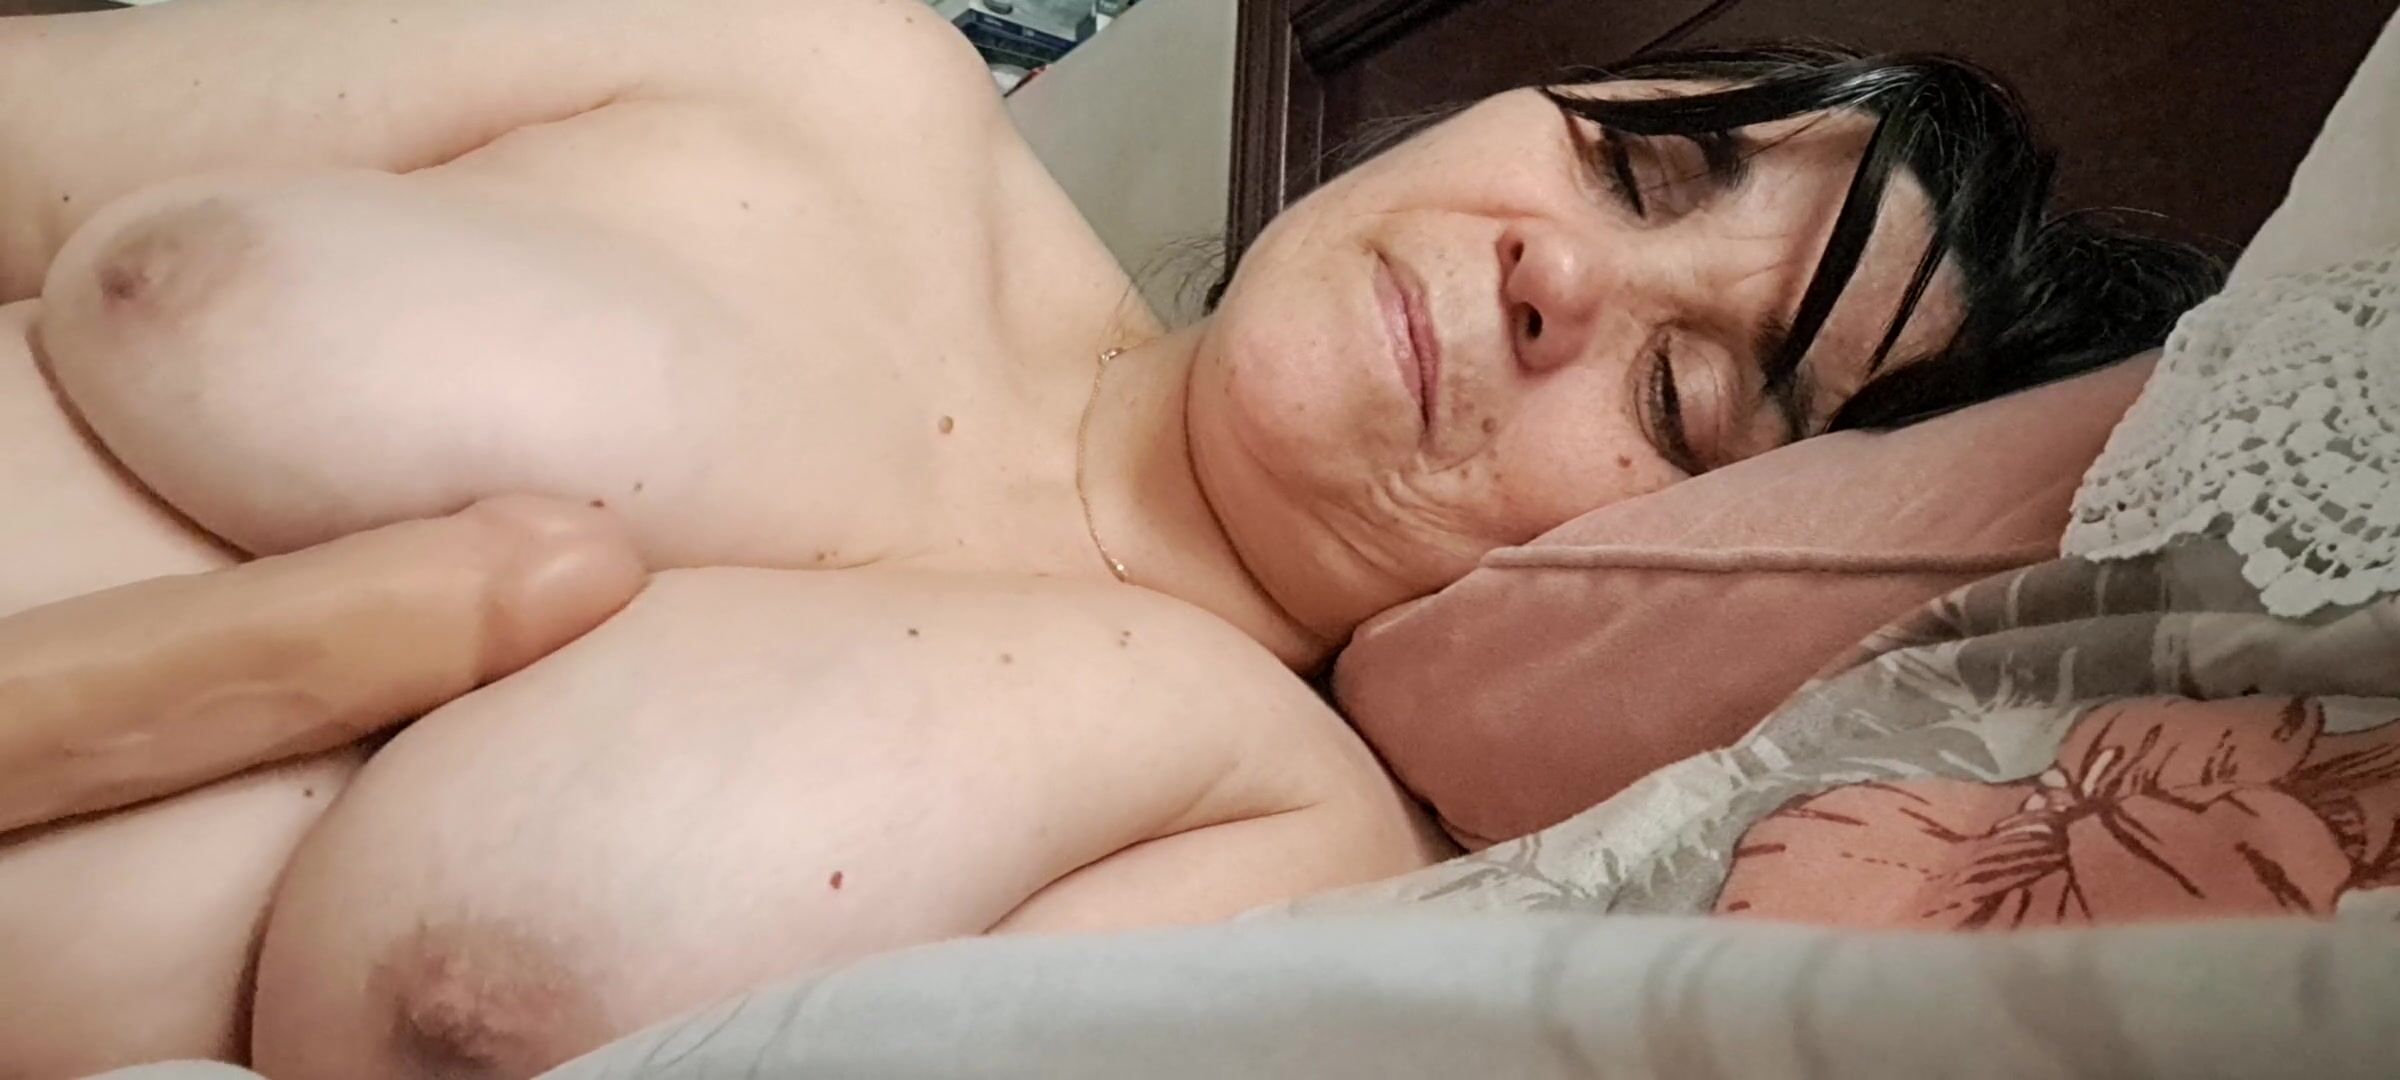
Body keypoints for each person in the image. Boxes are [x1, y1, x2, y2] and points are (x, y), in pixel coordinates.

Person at [0, 0, 2215, 1076]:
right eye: (1633, 172)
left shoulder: (1285, 855)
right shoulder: (812, 64)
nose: (1562, 279)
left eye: (1682, 403)